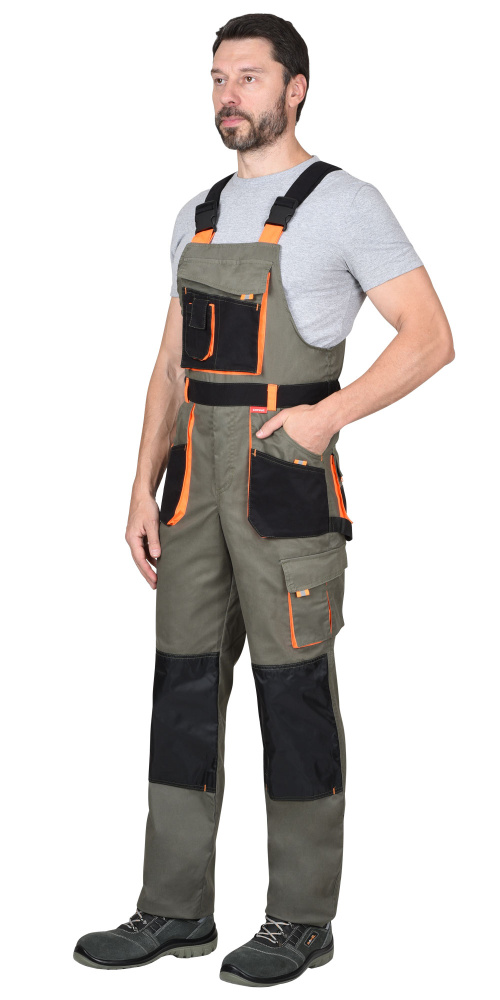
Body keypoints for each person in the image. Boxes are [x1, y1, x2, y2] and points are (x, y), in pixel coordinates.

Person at [73, 12, 455, 988]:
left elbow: (428, 336)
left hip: (283, 472)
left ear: (296, 88)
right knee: (182, 690)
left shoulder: (344, 203)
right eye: (216, 77)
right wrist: (139, 487)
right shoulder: (195, 212)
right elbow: (170, 365)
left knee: (293, 695)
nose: (228, 94)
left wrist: (329, 416)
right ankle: (173, 908)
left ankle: (300, 919)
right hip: (191, 483)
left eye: (248, 76)